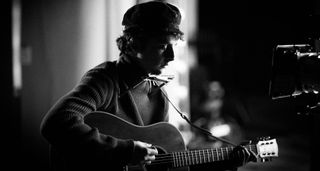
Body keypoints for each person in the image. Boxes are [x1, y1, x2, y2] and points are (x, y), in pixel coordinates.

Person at [40, 1, 256, 171]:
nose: (171, 57)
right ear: (134, 44)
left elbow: (166, 161)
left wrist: (224, 160)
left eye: (173, 47)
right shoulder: (105, 79)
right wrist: (124, 151)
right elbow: (57, 123)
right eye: (162, 46)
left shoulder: (157, 94)